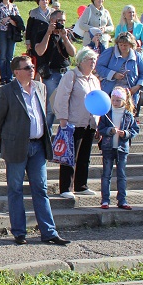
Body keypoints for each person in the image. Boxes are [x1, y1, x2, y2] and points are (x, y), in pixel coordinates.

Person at [0, 55, 71, 246]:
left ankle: (49, 232)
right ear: (16, 72)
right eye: (27, 67)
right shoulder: (6, 91)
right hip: (16, 147)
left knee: (41, 189)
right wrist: (10, 138)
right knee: (15, 189)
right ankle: (19, 232)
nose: (31, 70)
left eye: (32, 66)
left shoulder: (41, 88)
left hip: (38, 147)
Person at [53, 47, 101, 200]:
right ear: (81, 61)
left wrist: (98, 123)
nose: (93, 62)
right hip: (73, 122)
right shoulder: (71, 75)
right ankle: (66, 187)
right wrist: (63, 120)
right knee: (69, 156)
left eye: (94, 60)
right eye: (89, 60)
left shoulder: (94, 79)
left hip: (90, 123)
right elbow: (62, 98)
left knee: (84, 156)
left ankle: (81, 185)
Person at [97, 87, 140, 210]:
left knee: (121, 175)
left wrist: (126, 133)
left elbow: (135, 129)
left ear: (124, 101)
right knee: (106, 174)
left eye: (117, 101)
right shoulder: (106, 113)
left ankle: (122, 200)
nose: (115, 103)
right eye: (113, 100)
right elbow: (101, 128)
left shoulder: (128, 115)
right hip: (108, 147)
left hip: (122, 148)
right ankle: (105, 200)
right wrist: (109, 131)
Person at [33, 10, 77, 127]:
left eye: (64, 20)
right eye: (59, 20)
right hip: (51, 75)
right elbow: (39, 51)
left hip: (66, 73)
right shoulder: (42, 33)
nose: (62, 23)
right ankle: (46, 136)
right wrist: (48, 33)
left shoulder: (66, 33)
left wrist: (65, 38)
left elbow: (72, 53)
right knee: (50, 108)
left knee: (69, 106)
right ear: (52, 20)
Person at [96, 31, 143, 110]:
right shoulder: (110, 52)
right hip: (110, 91)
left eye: (125, 45)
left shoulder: (137, 56)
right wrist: (113, 74)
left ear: (131, 45)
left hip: (129, 93)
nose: (123, 47)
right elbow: (99, 67)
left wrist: (137, 87)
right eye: (121, 45)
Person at [0, 0, 22, 85]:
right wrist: (9, 20)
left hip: (13, 33)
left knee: (10, 56)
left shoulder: (14, 6)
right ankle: (3, 77)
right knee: (3, 56)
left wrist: (9, 19)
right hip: (3, 32)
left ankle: (9, 77)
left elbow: (18, 19)